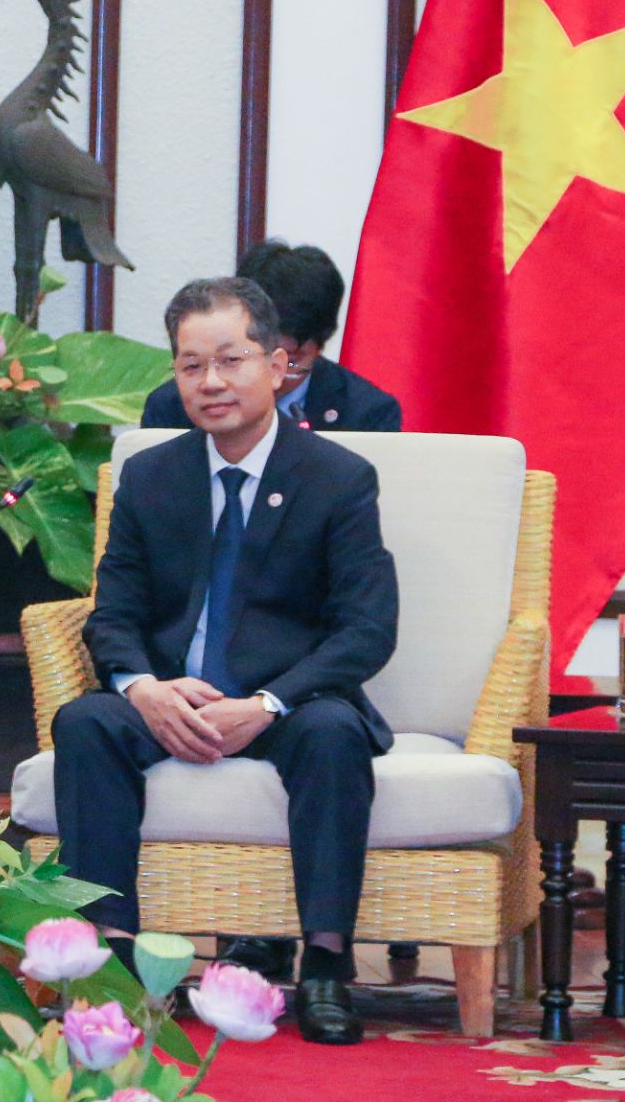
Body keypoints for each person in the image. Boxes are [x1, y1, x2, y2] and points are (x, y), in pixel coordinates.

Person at [52, 277, 398, 1046]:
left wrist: (269, 702)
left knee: (336, 734)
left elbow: (367, 629)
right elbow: (112, 615)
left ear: (277, 365)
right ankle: (114, 964)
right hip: (174, 693)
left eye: (230, 360)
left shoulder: (338, 477)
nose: (210, 382)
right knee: (85, 722)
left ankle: (326, 968)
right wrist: (143, 687)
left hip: (288, 704)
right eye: (190, 365)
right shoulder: (150, 475)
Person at [141, 240, 401, 433]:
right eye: (263, 354)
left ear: (321, 346)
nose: (275, 374)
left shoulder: (367, 414)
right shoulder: (173, 407)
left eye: (293, 362)